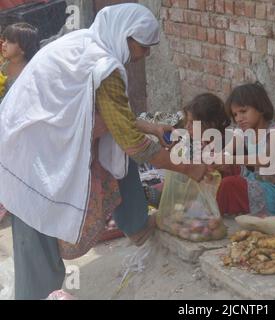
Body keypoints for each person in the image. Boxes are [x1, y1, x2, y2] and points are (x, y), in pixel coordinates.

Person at [0, 4, 207, 300]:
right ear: (126, 37)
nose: (144, 56)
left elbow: (106, 116)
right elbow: (131, 143)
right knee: (38, 248)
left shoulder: (85, 42)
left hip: (35, 144)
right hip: (33, 158)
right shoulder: (104, 65)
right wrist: (189, 169)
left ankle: (136, 225)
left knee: (113, 158)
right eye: (143, 48)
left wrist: (151, 127)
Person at [216, 82, 275, 216]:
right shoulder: (243, 131)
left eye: (243, 111)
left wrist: (230, 159)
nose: (239, 118)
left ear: (260, 108)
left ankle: (214, 211)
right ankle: (216, 203)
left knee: (230, 184)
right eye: (235, 115)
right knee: (225, 171)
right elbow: (226, 152)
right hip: (259, 181)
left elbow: (264, 160)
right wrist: (216, 162)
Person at [137, 93, 232, 208]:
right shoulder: (199, 141)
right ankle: (157, 196)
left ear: (211, 124)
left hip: (215, 190)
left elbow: (212, 175)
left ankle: (162, 199)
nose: (187, 127)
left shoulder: (224, 143)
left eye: (192, 123)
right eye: (187, 122)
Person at [0, 23, 40, 224]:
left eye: (10, 41)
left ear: (22, 48)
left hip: (22, 134)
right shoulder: (3, 69)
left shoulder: (31, 72)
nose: (4, 44)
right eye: (4, 39)